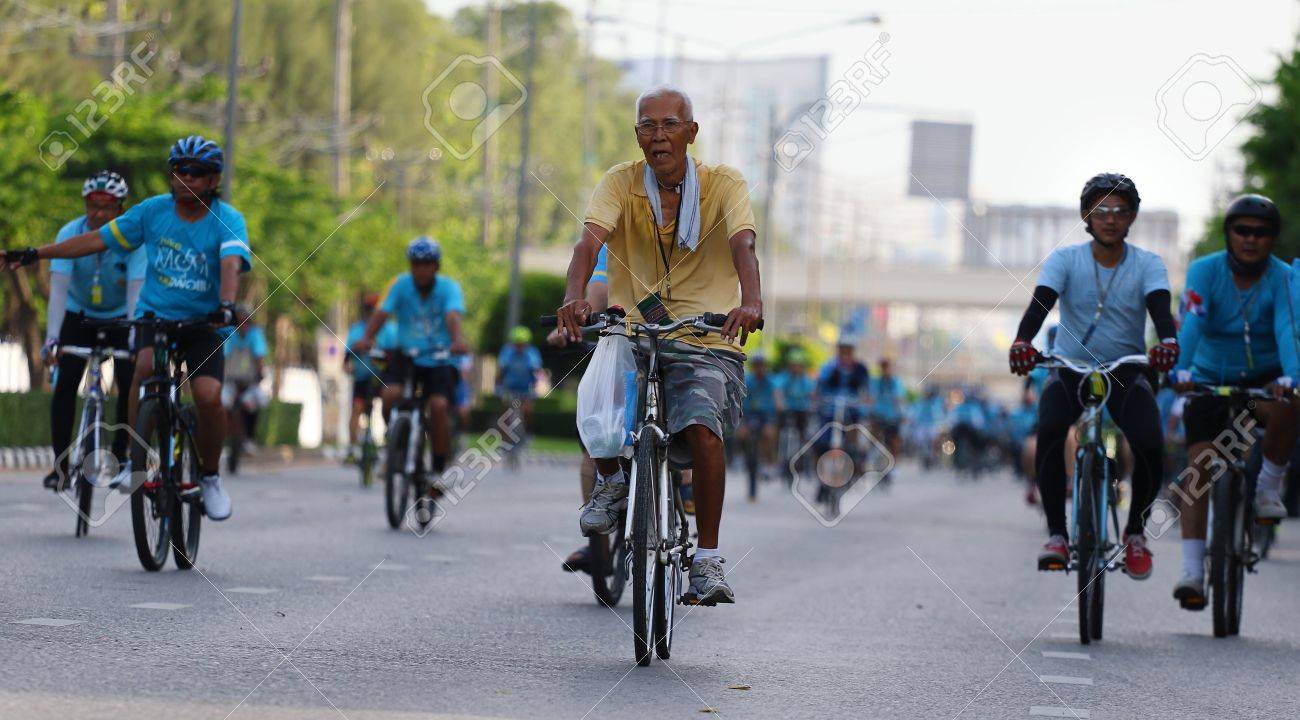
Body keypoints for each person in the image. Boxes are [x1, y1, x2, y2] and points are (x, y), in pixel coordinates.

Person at [555, 85, 762, 605]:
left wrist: (752, 302)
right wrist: (573, 296)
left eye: (670, 124)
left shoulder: (724, 185)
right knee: (597, 399)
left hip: (705, 338)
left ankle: (708, 560)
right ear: (637, 135)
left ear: (691, 132)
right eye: (647, 126)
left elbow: (744, 243)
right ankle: (610, 482)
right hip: (637, 331)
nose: (658, 135)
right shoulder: (619, 183)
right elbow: (588, 243)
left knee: (703, 431)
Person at [4, 135, 250, 521]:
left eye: (196, 172)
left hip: (204, 322)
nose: (186, 177)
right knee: (143, 369)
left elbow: (231, 263)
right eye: (179, 170)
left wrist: (227, 306)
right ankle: (133, 461)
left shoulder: (228, 219)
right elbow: (95, 241)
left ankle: (210, 477)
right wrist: (36, 253)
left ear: (213, 179)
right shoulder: (151, 212)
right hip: (156, 316)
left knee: (208, 396)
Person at [1009, 172, 1177, 580]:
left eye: (1120, 210)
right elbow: (1040, 305)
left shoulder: (1148, 264)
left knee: (1150, 443)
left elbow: (1161, 312)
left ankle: (1135, 534)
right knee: (1051, 430)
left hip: (1126, 369)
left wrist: (1169, 342)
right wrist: (1022, 341)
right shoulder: (1066, 260)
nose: (1111, 218)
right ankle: (1056, 534)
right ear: (1086, 215)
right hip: (1071, 368)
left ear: (1132, 216)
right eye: (1101, 210)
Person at [1169, 193, 1298, 608]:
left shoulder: (1284, 277)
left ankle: (1268, 487)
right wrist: (1182, 370)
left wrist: (1291, 376)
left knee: (1291, 406)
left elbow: (1287, 327)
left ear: (1271, 239)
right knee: (1199, 469)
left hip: (1265, 378)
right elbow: (1192, 322)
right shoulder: (1204, 271)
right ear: (1229, 234)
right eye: (1242, 230)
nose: (1250, 239)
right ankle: (1192, 571)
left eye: (1261, 232)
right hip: (1208, 376)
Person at [41, 170, 144, 491]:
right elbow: (59, 290)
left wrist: (134, 338)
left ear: (120, 208)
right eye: (92, 205)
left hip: (120, 317)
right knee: (65, 382)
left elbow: (136, 294)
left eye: (107, 207)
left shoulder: (133, 240)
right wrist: (52, 338)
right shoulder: (69, 233)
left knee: (129, 380)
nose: (98, 214)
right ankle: (60, 466)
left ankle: (121, 456)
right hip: (78, 315)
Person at [352, 236, 470, 480]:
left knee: (438, 407)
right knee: (389, 396)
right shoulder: (400, 284)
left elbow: (452, 316)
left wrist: (457, 340)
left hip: (439, 358)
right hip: (405, 355)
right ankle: (397, 441)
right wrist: (367, 337)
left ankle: (437, 465)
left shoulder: (449, 288)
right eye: (416, 264)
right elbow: (382, 313)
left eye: (427, 264)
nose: (421, 269)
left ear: (436, 266)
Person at [344, 293, 397, 460]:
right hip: (361, 377)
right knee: (357, 409)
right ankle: (352, 449)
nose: (370, 313)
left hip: (383, 377)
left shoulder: (390, 330)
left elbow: (395, 353)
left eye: (374, 309)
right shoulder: (356, 330)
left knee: (388, 406)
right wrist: (352, 357)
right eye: (368, 309)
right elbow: (347, 356)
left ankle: (389, 443)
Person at [221, 317, 269, 457]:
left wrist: (260, 373)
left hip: (249, 382)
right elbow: (224, 356)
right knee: (222, 404)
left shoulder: (255, 335)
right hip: (231, 381)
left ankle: (249, 438)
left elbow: (259, 357)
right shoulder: (230, 334)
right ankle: (225, 438)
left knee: (253, 405)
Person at [737, 352, 779, 499]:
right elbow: (741, 400)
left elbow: (776, 400)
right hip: (748, 414)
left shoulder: (770, 381)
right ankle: (741, 455)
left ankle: (769, 461)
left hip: (766, 416)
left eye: (762, 365)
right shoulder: (747, 380)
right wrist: (742, 423)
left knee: (769, 434)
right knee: (740, 435)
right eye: (757, 365)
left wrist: (771, 421)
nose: (759, 368)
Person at [497, 326, 543, 436]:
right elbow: (501, 371)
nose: (519, 347)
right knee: (505, 413)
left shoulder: (532, 353)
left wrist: (538, 384)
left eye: (522, 344)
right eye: (517, 344)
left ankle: (529, 433)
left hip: (526, 388)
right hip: (510, 387)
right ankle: (504, 439)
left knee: (527, 411)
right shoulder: (507, 351)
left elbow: (537, 371)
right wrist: (498, 386)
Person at [868, 358, 905, 478]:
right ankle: (872, 457)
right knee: (873, 435)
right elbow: (871, 397)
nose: (885, 370)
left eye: (887, 367)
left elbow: (899, 399)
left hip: (893, 415)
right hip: (878, 414)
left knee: (894, 441)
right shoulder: (876, 382)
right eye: (883, 367)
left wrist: (902, 414)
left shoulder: (896, 382)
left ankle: (894, 465)